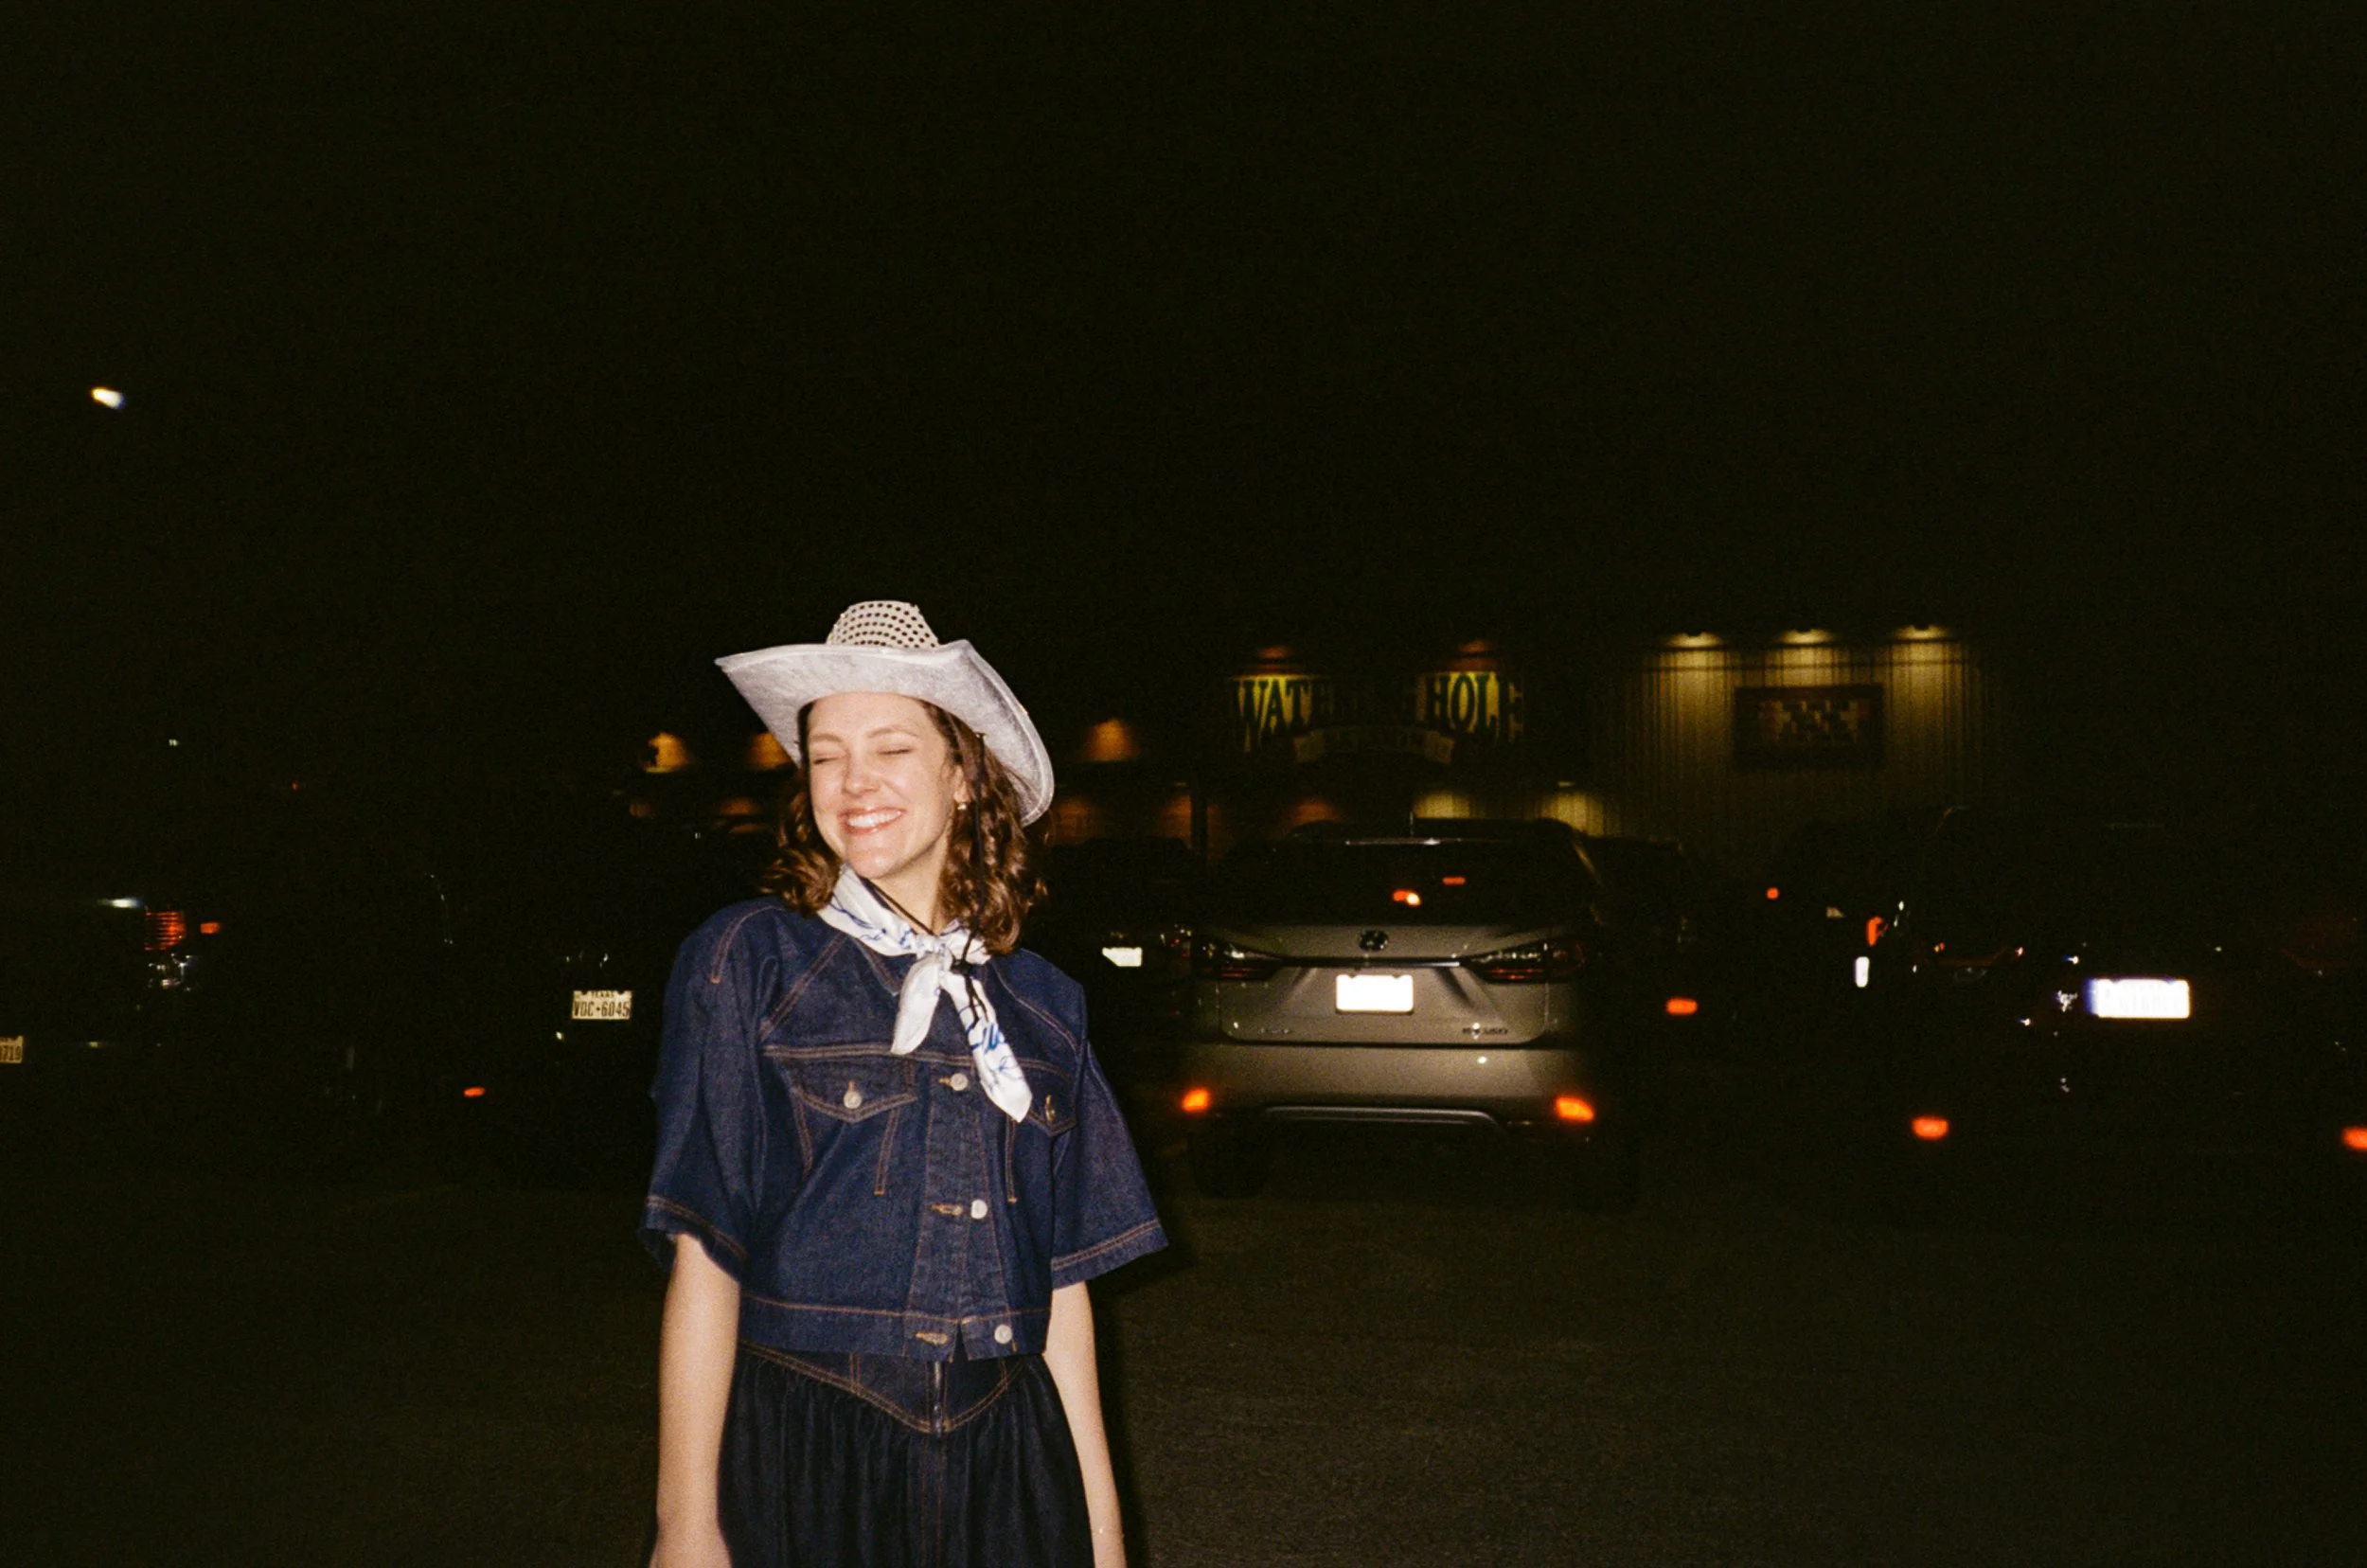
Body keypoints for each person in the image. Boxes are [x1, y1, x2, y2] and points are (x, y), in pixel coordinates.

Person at [643, 601, 1166, 1568]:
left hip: (1008, 1458)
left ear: (964, 775)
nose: (854, 783)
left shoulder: (1044, 1003)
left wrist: (1103, 1539)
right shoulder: (747, 959)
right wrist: (685, 1529)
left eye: (890, 748)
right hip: (808, 1448)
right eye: (828, 754)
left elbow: (1065, 1298)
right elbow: (705, 1258)